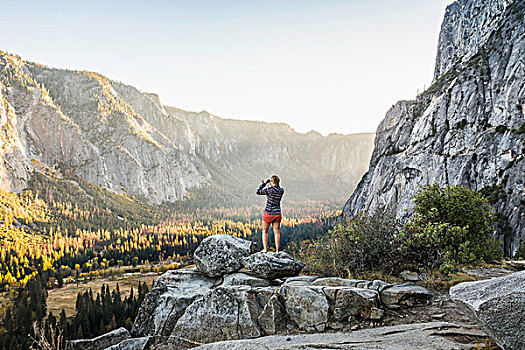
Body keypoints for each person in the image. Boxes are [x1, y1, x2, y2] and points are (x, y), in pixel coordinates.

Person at [256, 174, 284, 253]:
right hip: (277, 213)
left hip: (268, 213)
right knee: (277, 232)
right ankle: (277, 251)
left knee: (265, 231)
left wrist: (264, 183)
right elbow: (277, 188)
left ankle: (265, 249)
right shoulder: (281, 190)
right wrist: (271, 183)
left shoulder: (269, 190)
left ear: (272, 181)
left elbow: (258, 191)